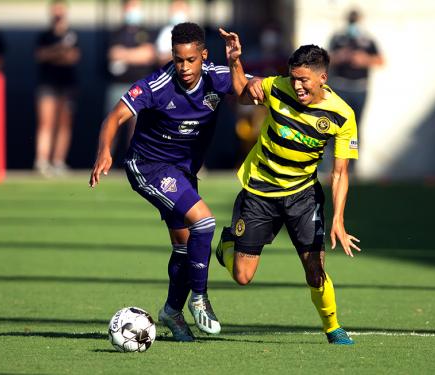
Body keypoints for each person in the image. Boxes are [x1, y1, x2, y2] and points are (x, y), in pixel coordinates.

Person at [90, 22, 236, 342]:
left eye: (190, 60)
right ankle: (199, 298)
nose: (183, 67)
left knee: (185, 248)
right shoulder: (156, 85)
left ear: (203, 55)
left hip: (183, 173)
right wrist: (104, 152)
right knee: (205, 221)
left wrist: (237, 62)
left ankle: (171, 310)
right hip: (148, 167)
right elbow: (114, 117)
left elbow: (253, 89)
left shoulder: (217, 76)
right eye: (178, 59)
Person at [217, 28, 361, 345]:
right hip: (259, 190)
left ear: (323, 78)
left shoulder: (341, 115)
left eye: (304, 80)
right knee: (242, 277)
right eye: (293, 78)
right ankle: (226, 244)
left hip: (303, 197)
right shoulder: (276, 88)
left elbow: (339, 173)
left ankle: (333, 327)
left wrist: (338, 218)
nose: (297, 85)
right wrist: (235, 62)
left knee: (315, 269)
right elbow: (241, 92)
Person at [105, 0, 156, 165]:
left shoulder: (146, 32)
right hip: (118, 86)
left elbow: (149, 54)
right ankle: (104, 160)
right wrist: (137, 55)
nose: (133, 11)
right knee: (112, 123)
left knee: (137, 128)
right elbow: (113, 53)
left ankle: (134, 163)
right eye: (130, 7)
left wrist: (125, 55)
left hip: (139, 86)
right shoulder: (116, 33)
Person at [33, 0, 81, 176]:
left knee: (64, 125)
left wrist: (56, 54)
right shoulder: (44, 35)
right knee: (46, 123)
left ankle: (58, 161)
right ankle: (42, 160)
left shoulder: (72, 35)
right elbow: (40, 55)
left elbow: (72, 57)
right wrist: (58, 51)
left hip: (67, 85)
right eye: (55, 12)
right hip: (47, 84)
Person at [328, 9, 383, 126]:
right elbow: (326, 59)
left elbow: (380, 61)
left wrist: (365, 60)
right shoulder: (338, 38)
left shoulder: (367, 40)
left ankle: (354, 145)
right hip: (340, 88)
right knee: (338, 125)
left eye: (355, 20)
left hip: (360, 89)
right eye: (351, 20)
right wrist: (340, 56)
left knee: (356, 125)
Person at [155, 0, 191, 66]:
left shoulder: (194, 31)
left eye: (181, 7)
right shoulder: (166, 32)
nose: (178, 11)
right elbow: (161, 57)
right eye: (176, 8)